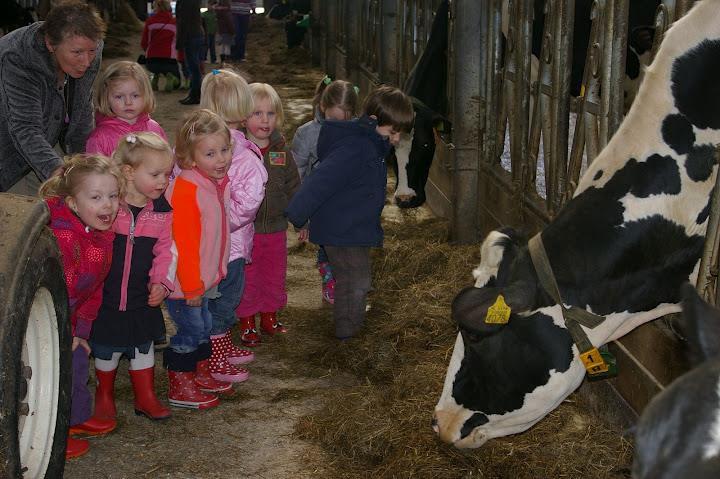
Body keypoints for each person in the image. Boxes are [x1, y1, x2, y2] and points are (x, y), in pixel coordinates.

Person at [285, 86, 414, 339]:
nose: (396, 139)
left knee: (351, 280)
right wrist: (298, 215)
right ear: (375, 121)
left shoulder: (370, 144)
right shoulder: (358, 148)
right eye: (393, 133)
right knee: (356, 282)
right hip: (342, 229)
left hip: (350, 226)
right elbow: (320, 181)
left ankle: (349, 329)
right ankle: (348, 334)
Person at [41, 153, 123, 459]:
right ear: (73, 203)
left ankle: (74, 420)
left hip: (71, 318)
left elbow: (94, 290)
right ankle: (51, 434)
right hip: (48, 318)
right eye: (97, 197)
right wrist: (68, 331)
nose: (108, 205)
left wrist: (82, 332)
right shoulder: (64, 236)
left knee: (76, 363)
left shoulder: (101, 235)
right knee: (53, 374)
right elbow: (60, 294)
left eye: (113, 196)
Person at [89, 132, 174, 424]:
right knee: (106, 347)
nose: (164, 181)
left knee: (143, 345)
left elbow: (166, 252)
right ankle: (104, 396)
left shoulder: (162, 212)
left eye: (167, 174)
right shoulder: (111, 206)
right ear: (128, 172)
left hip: (141, 297)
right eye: (156, 174)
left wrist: (161, 283)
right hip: (106, 296)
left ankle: (146, 395)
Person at [200, 70, 267, 380]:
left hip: (200, 244)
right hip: (231, 247)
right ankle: (214, 358)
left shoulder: (193, 144)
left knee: (210, 299)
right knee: (224, 301)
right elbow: (248, 206)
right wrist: (220, 222)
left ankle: (221, 348)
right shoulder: (245, 155)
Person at [164, 109, 233, 408]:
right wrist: (191, 285)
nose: (221, 159)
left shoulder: (214, 183)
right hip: (186, 283)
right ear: (190, 158)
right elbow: (185, 245)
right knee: (190, 331)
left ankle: (199, 372)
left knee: (203, 325)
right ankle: (179, 383)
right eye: (210, 153)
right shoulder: (187, 190)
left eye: (225, 150)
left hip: (202, 280)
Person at [0, 0, 105, 195]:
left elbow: (81, 109)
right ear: (50, 43)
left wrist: (83, 162)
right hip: (7, 142)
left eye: (92, 51)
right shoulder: (18, 57)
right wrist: (62, 175)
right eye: (77, 53)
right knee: (25, 214)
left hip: (48, 134)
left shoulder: (90, 46)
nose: (87, 61)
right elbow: (25, 128)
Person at [236, 82, 299, 346]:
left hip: (275, 228)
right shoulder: (236, 150)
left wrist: (300, 218)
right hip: (245, 230)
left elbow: (294, 186)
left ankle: (269, 316)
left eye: (270, 114)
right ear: (243, 116)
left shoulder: (282, 151)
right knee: (248, 276)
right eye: (256, 113)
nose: (264, 120)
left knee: (274, 273)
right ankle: (247, 320)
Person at [292, 76, 358, 305]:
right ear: (322, 107)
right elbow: (298, 172)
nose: (338, 126)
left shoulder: (360, 132)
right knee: (327, 244)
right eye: (333, 120)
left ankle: (347, 281)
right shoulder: (307, 134)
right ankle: (330, 280)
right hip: (321, 203)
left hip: (349, 201)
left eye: (345, 120)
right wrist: (303, 216)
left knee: (350, 245)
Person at [85, 60, 167, 157]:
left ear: (146, 95)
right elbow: (94, 171)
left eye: (135, 95)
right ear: (105, 98)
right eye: (119, 97)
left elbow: (167, 164)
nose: (128, 102)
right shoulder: (99, 138)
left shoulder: (154, 129)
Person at [141, 0, 181, 92]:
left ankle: (155, 77)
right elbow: (178, 41)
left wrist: (148, 51)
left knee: (156, 68)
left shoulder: (150, 22)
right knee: (177, 82)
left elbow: (144, 42)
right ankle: (171, 77)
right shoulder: (174, 22)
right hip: (169, 60)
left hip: (151, 61)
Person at [175, 0, 204, 104]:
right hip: (195, 34)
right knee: (194, 67)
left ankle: (195, 95)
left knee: (193, 68)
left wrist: (180, 41)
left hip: (190, 36)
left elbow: (183, 22)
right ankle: (194, 94)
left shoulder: (185, 3)